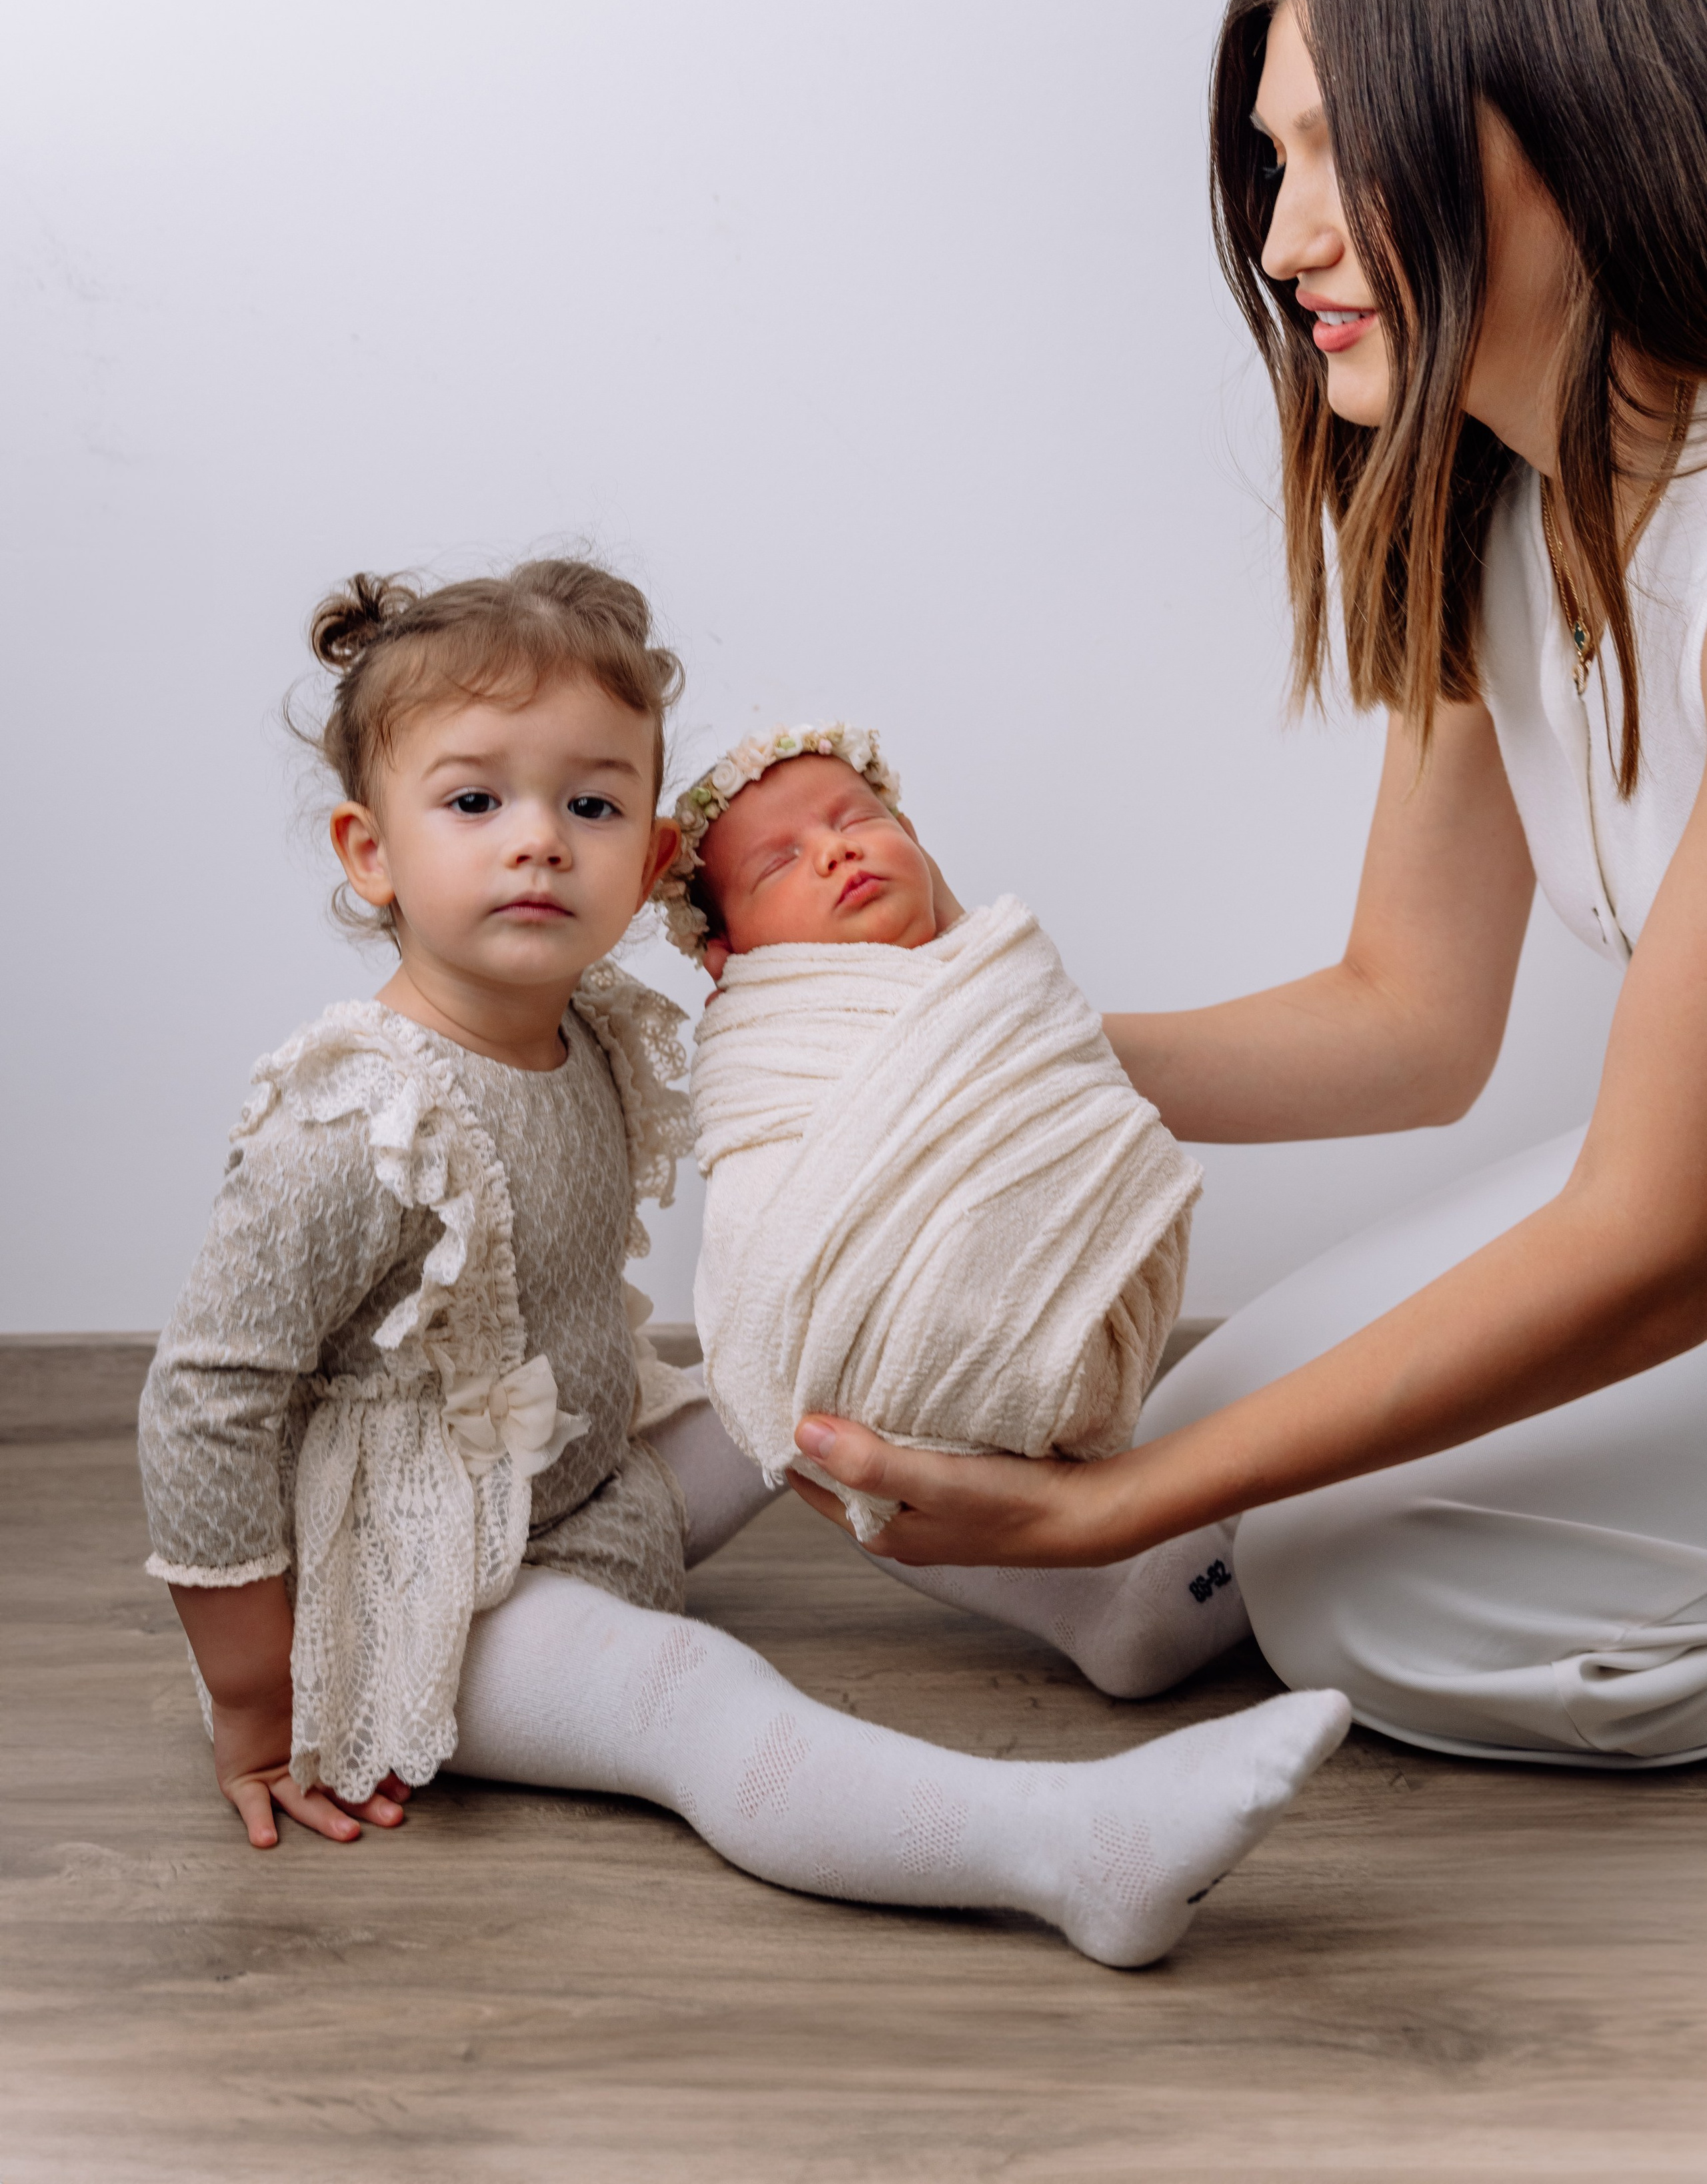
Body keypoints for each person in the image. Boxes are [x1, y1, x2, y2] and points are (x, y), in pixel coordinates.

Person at [787, 0, 1707, 1771]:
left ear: (1583, 113)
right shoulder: (1501, 518)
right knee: (1140, 1574)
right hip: (1675, 1198)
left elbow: (1653, 1237)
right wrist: (975, 1036)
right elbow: (1407, 1019)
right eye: (1267, 156)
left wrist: (1128, 1500)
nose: (1284, 239)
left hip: (1679, 1220)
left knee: (1338, 1579)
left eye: (1343, 149)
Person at [136, 553, 1347, 1968]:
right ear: (370, 850)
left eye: (589, 803)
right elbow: (203, 1399)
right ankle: (1070, 1849)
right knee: (688, 1696)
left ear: (650, 861)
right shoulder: (358, 1121)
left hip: (593, 1471)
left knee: (812, 1395)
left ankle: (1117, 1605)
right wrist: (254, 1695)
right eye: (474, 801)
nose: (537, 841)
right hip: (422, 1594)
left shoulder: (586, 1029)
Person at [659, 724, 1197, 1538]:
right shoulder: (762, 1040)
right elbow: (753, 1203)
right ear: (725, 955)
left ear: (913, 840)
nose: (834, 854)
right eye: (778, 862)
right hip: (854, 1347)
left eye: (855, 822)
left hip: (1068, 1311)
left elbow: (1073, 1096)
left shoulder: (996, 972)